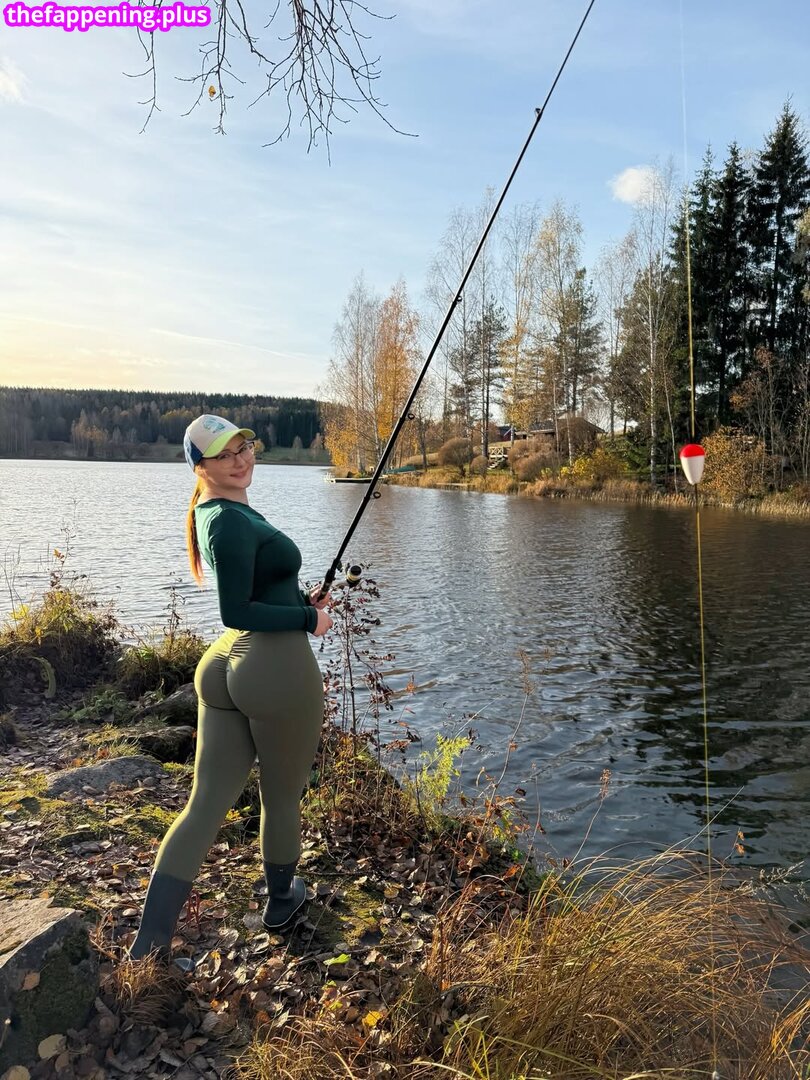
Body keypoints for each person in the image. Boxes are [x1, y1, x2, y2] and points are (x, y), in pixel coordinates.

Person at [129, 414, 332, 963]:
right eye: (224, 455)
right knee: (281, 797)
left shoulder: (215, 511)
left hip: (224, 665)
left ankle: (146, 951)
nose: (240, 460)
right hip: (270, 667)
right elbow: (235, 609)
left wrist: (298, 602)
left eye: (243, 447)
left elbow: (254, 592)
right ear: (201, 466)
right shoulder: (228, 520)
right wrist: (307, 621)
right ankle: (282, 902)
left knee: (205, 804)